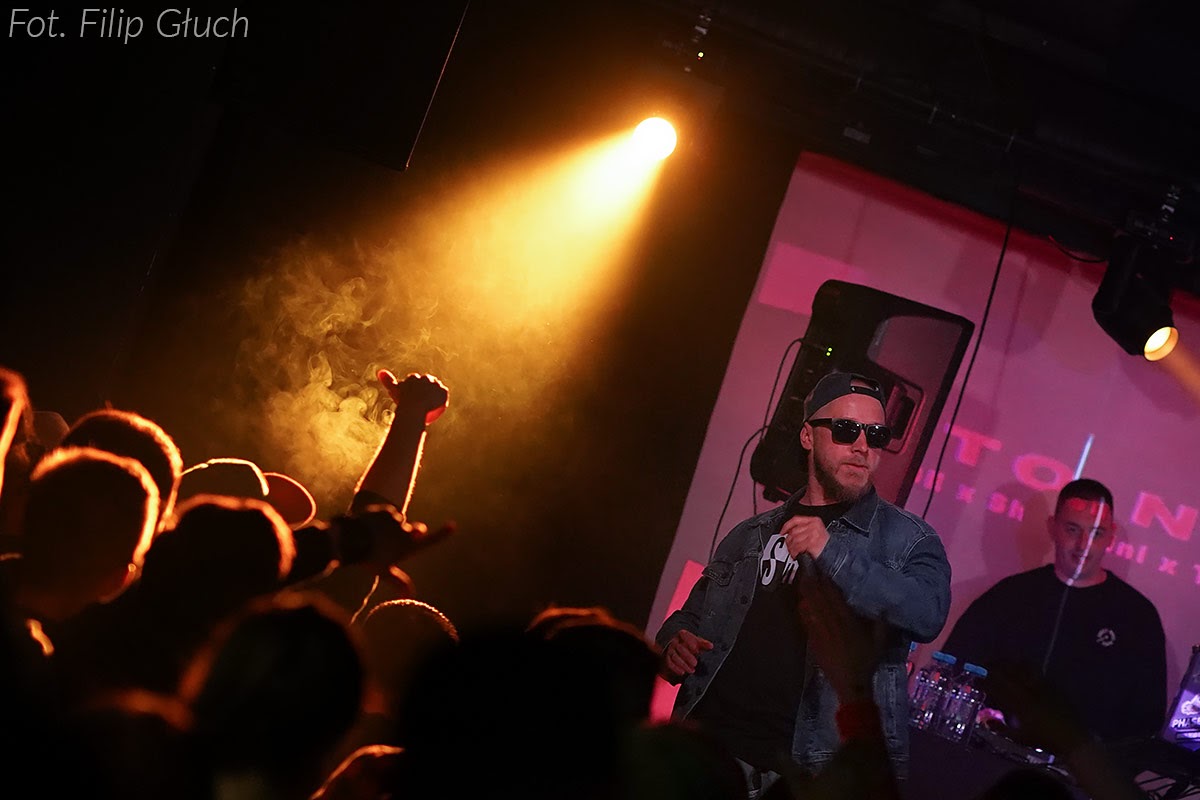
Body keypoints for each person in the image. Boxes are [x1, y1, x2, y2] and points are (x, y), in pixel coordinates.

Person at [656, 371, 951, 795]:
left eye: (876, 435)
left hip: (803, 777)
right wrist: (674, 643)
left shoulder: (909, 539)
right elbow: (692, 617)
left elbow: (927, 613)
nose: (862, 446)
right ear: (808, 436)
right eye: (846, 430)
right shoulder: (752, 533)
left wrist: (832, 552)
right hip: (707, 755)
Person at [942, 478, 1167, 744]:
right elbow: (952, 672)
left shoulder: (1137, 617)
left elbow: (1145, 724)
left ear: (1111, 536)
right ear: (1053, 528)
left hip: (1081, 768)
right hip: (988, 753)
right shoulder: (1009, 596)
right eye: (1073, 530)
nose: (1083, 545)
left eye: (1096, 533)